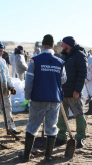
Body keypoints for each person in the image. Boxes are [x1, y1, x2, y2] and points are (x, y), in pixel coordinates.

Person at [18, 34, 66, 162]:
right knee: (52, 127)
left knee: (32, 126)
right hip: (54, 99)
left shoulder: (35, 60)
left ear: (42, 45)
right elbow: (63, 80)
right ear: (53, 46)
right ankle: (48, 156)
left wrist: (27, 98)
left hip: (38, 98)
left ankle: (26, 155)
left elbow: (29, 81)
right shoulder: (60, 62)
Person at [55, 36, 87, 148]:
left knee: (78, 114)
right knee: (61, 115)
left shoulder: (80, 55)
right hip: (62, 91)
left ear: (68, 45)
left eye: (63, 44)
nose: (61, 46)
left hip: (74, 92)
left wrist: (77, 90)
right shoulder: (63, 56)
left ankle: (80, 138)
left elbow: (82, 74)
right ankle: (61, 137)